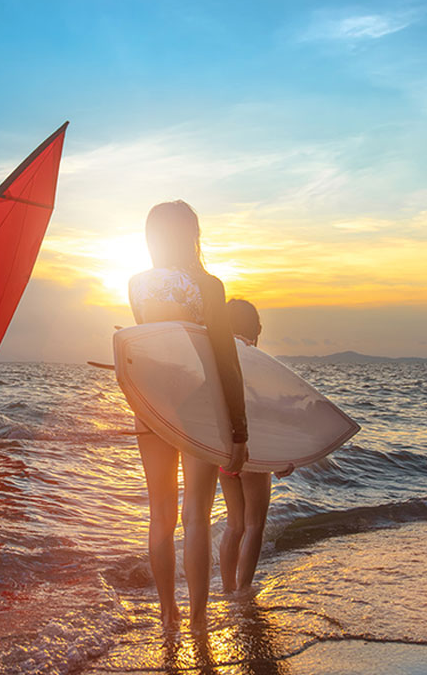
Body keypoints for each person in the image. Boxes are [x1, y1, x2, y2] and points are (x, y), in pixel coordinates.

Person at [127, 200, 249, 630]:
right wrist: (239, 432)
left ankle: (168, 615)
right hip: (198, 403)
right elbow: (224, 361)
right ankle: (198, 620)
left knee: (159, 513)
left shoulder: (136, 284)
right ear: (191, 235)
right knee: (195, 513)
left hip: (150, 403)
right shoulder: (208, 286)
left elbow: (150, 343)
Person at [217, 298, 292, 595]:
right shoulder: (256, 362)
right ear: (257, 328)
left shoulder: (218, 360)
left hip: (222, 452)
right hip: (253, 452)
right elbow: (268, 416)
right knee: (254, 525)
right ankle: (243, 590)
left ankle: (226, 589)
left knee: (234, 525)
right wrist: (281, 458)